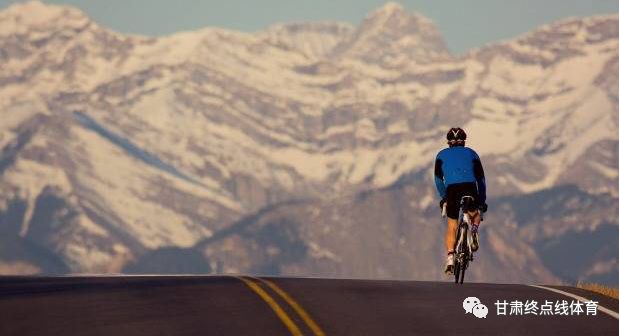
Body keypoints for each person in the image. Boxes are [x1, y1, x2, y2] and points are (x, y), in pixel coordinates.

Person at [434, 127, 487, 275]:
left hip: (452, 190)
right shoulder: (472, 153)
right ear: (464, 141)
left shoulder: (441, 155)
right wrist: (482, 201)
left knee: (452, 226)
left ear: (448, 142)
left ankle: (450, 258)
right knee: (475, 213)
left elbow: (438, 180)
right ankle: (474, 232)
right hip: (470, 188)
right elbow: (481, 180)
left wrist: (444, 196)